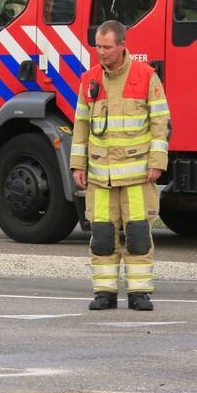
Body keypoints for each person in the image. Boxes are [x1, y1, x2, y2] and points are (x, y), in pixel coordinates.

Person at [70, 20, 169, 311]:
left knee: (138, 235)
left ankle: (139, 293)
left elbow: (160, 123)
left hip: (137, 175)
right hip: (100, 178)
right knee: (101, 237)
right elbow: (81, 126)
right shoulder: (90, 80)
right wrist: (78, 165)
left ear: (122, 45)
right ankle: (105, 292)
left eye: (107, 47)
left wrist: (157, 162)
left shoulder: (146, 77)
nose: (101, 52)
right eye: (98, 46)